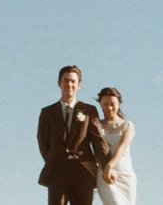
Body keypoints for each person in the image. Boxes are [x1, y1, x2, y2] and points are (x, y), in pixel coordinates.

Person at [37, 65, 109, 205]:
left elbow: (97, 140)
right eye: (65, 80)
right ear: (59, 83)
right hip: (57, 170)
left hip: (83, 170)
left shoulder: (89, 110)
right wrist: (55, 159)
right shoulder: (47, 112)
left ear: (79, 85)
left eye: (73, 81)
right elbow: (43, 142)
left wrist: (107, 165)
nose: (69, 84)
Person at [94, 87, 137, 205]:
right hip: (105, 175)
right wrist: (106, 168)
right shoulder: (97, 125)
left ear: (119, 104)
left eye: (112, 104)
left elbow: (122, 147)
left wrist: (110, 166)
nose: (109, 108)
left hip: (124, 173)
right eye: (105, 104)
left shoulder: (127, 125)